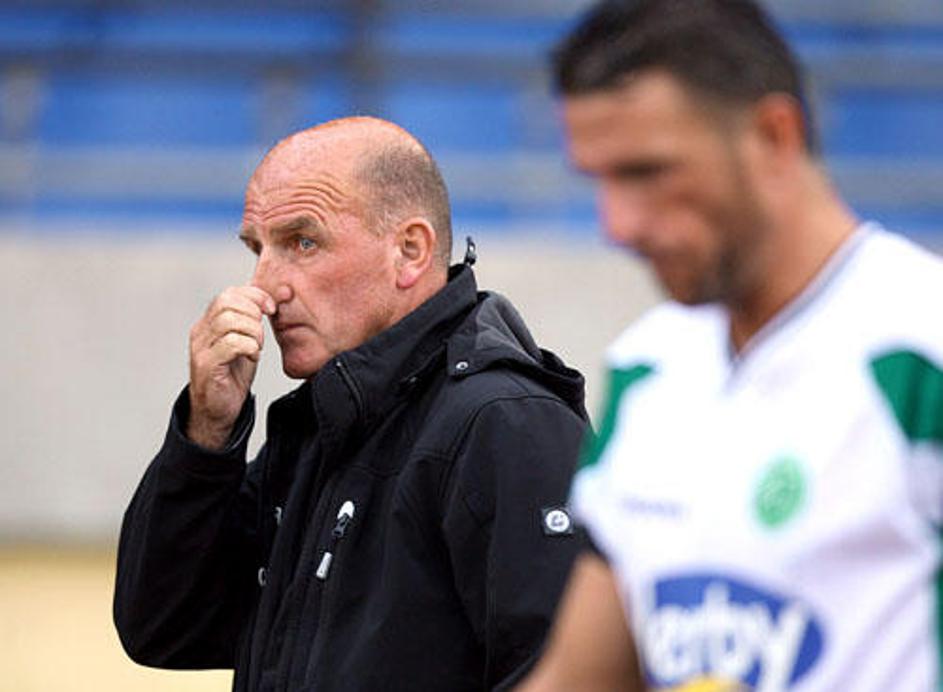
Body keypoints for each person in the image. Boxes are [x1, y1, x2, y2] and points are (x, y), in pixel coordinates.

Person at [519, 1, 943, 690]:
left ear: (774, 135)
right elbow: (578, 676)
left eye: (647, 172)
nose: (617, 225)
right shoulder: (648, 370)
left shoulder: (920, 351)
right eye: (598, 180)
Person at [114, 116, 589, 691]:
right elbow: (164, 626)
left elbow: (580, 678)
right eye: (257, 249)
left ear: (410, 251)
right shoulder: (324, 424)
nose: (264, 288)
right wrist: (207, 434)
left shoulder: (505, 422)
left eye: (303, 243)